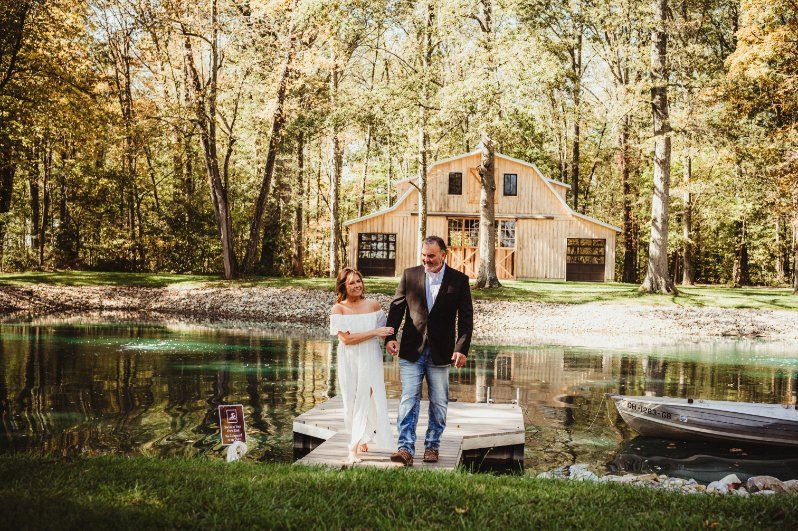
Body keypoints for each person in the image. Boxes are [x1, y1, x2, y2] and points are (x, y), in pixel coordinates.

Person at [385, 235, 473, 466]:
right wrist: (391, 336)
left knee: (439, 401)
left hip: (442, 352)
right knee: (408, 399)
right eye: (424, 256)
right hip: (411, 350)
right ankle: (405, 448)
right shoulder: (410, 275)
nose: (427, 260)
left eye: (431, 256)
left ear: (444, 254)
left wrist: (461, 348)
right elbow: (396, 309)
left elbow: (466, 319)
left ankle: (432, 445)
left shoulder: (459, 281)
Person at [329, 267, 395, 464]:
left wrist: (390, 342)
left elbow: (386, 330)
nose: (357, 285)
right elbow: (346, 339)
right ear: (343, 286)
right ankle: (362, 436)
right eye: (351, 283)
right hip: (349, 358)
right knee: (351, 401)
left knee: (368, 397)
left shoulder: (373, 305)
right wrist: (374, 332)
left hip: (371, 356)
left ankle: (354, 447)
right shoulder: (338, 308)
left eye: (358, 281)